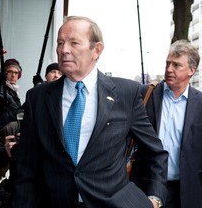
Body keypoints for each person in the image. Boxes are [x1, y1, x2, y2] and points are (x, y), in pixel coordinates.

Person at [11, 16, 168, 208]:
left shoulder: (126, 94)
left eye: (74, 43)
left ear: (97, 50)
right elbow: (27, 165)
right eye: (60, 43)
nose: (64, 50)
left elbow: (155, 152)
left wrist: (155, 198)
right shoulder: (38, 97)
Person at [134, 39, 202, 208]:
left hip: (186, 191)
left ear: (191, 70)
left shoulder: (200, 103)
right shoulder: (147, 94)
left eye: (177, 65)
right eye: (168, 63)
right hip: (145, 186)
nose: (169, 69)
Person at [0, 58, 23, 143]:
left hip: (10, 134)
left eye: (16, 73)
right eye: (10, 72)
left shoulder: (13, 91)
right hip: (0, 136)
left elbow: (16, 111)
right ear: (4, 73)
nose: (13, 75)